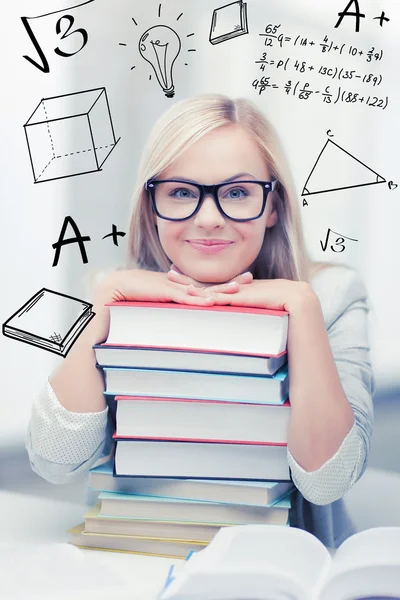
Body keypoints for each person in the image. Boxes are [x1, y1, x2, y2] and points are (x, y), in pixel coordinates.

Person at [25, 93, 375, 548]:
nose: (208, 219)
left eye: (236, 193)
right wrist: (103, 309)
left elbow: (327, 482)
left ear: (272, 206)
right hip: (137, 556)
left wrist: (302, 310)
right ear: (151, 205)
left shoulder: (330, 296)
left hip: (279, 568)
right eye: (182, 193)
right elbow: (55, 461)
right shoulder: (113, 290)